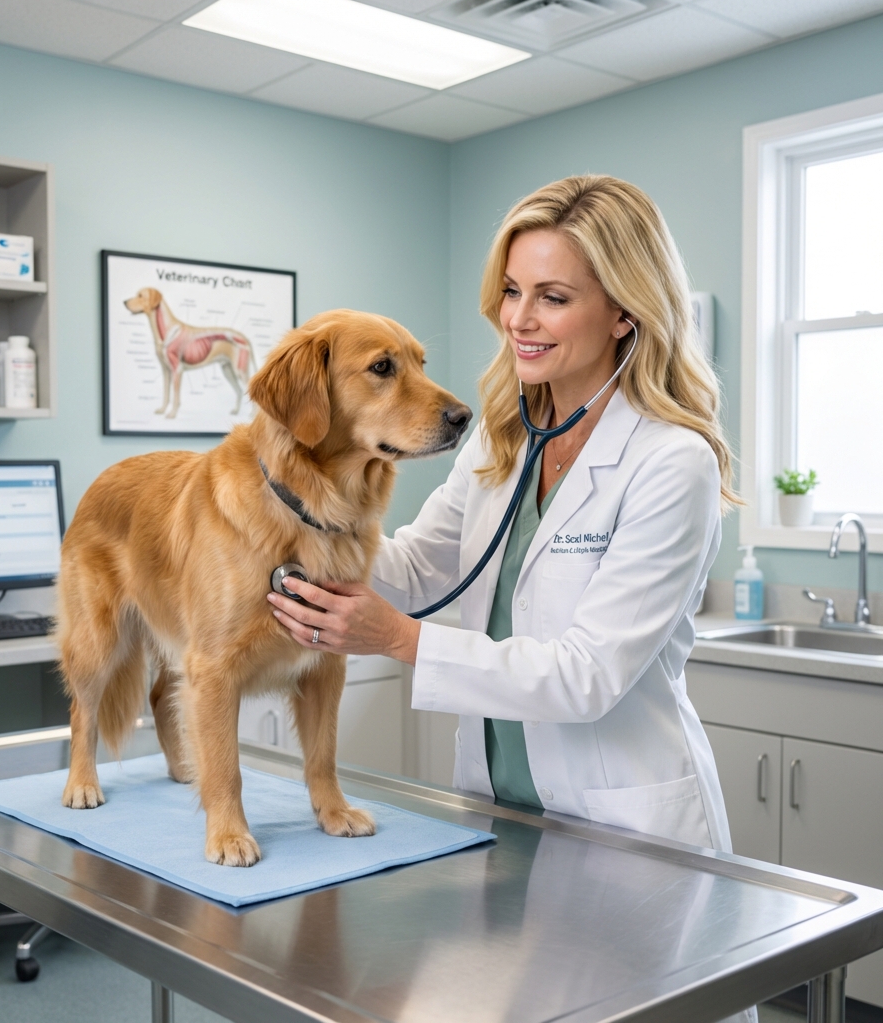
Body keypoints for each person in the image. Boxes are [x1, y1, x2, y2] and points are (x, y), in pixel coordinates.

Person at [269, 176, 750, 996]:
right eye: (512, 292)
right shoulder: (506, 436)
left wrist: (398, 639)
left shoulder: (673, 462)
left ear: (624, 310)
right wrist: (292, 517)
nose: (520, 320)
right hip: (504, 813)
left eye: (554, 297)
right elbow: (421, 563)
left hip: (625, 829)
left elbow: (585, 674)